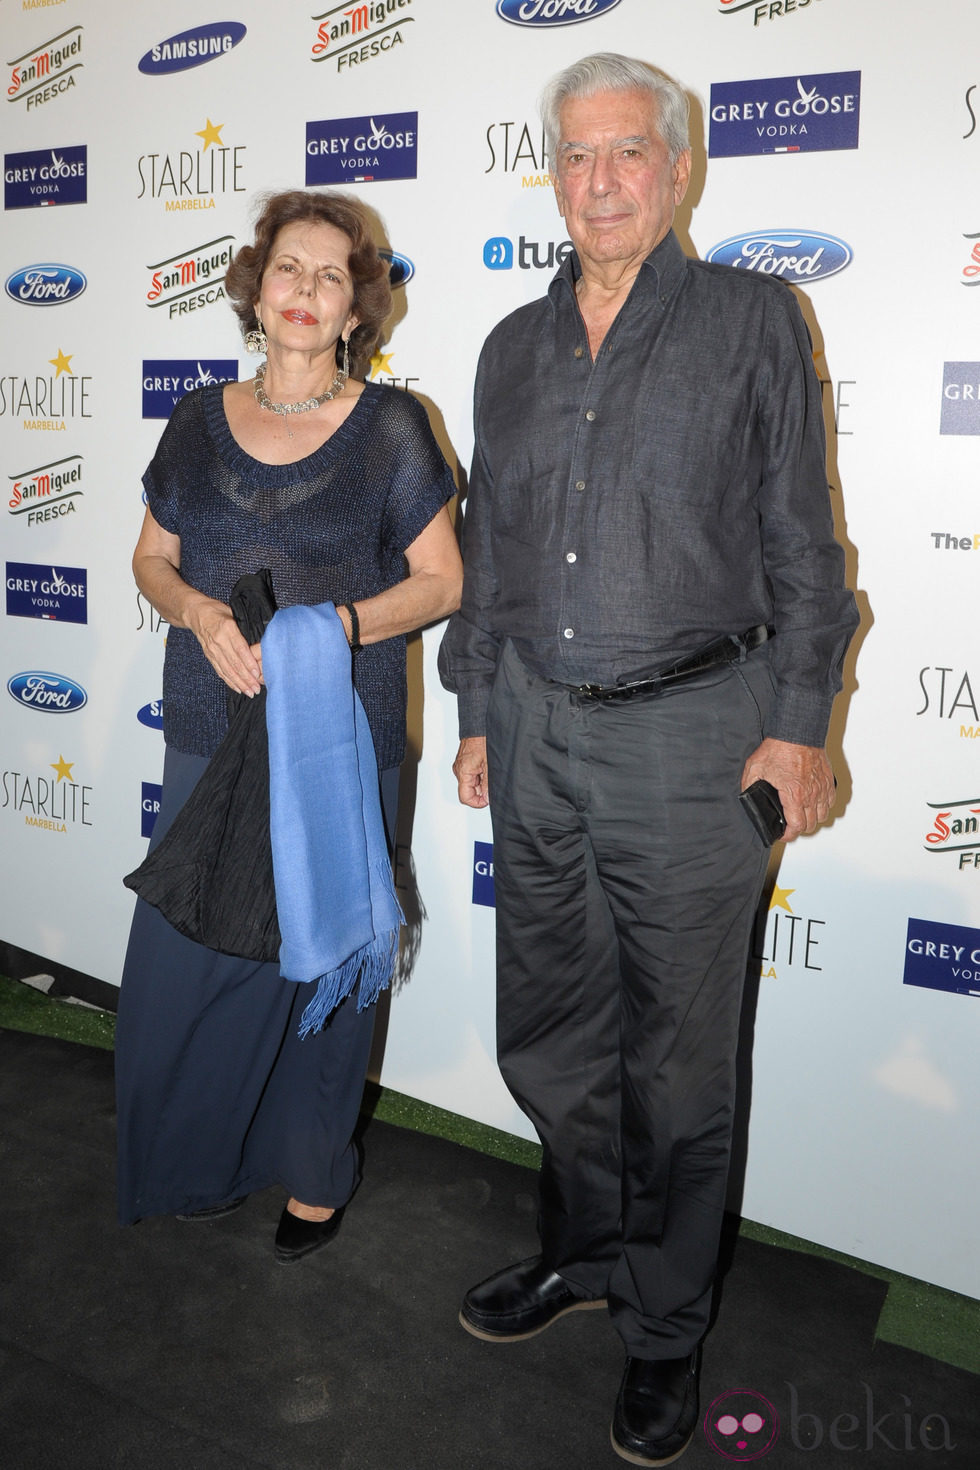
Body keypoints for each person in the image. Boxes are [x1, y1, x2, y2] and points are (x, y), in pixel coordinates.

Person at [438, 53, 858, 1466]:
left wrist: (797, 723)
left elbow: (806, 544)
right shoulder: (508, 345)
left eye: (627, 153)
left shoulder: (749, 318)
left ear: (676, 170)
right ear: (549, 174)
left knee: (679, 1065)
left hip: (696, 734)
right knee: (550, 1031)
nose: (600, 180)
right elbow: (490, 554)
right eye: (574, 156)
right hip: (540, 725)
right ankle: (588, 1251)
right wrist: (480, 707)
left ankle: (667, 1327)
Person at [116, 189, 462, 1261]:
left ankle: (313, 1175)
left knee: (322, 960)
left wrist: (338, 626)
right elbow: (150, 558)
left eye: (329, 276)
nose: (305, 291)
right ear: (252, 292)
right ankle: (189, 1156)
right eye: (287, 270)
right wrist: (197, 610)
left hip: (339, 737)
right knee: (186, 958)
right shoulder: (194, 419)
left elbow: (442, 583)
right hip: (206, 730)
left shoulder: (393, 430)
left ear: (357, 308)